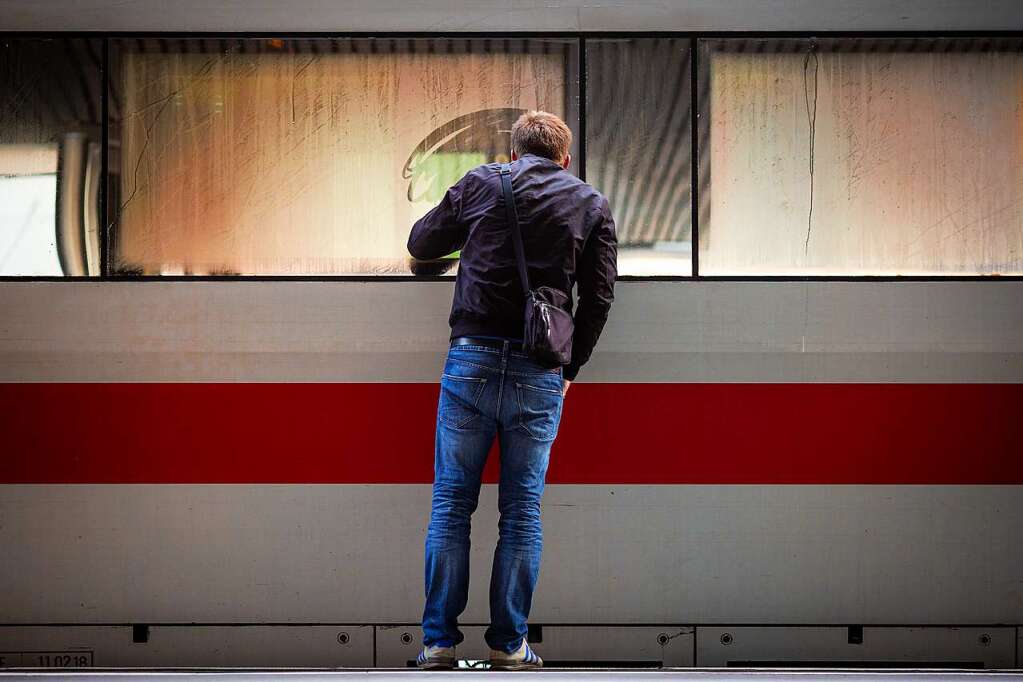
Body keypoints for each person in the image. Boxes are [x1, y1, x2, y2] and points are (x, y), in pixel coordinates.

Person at [407, 110, 617, 670]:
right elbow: (598, 299)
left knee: (451, 506)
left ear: (515, 149)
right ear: (565, 159)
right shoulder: (589, 203)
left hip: (471, 359)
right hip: (539, 369)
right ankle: (509, 644)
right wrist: (569, 371)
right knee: (521, 512)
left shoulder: (481, 182)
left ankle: (438, 643)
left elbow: (421, 242)